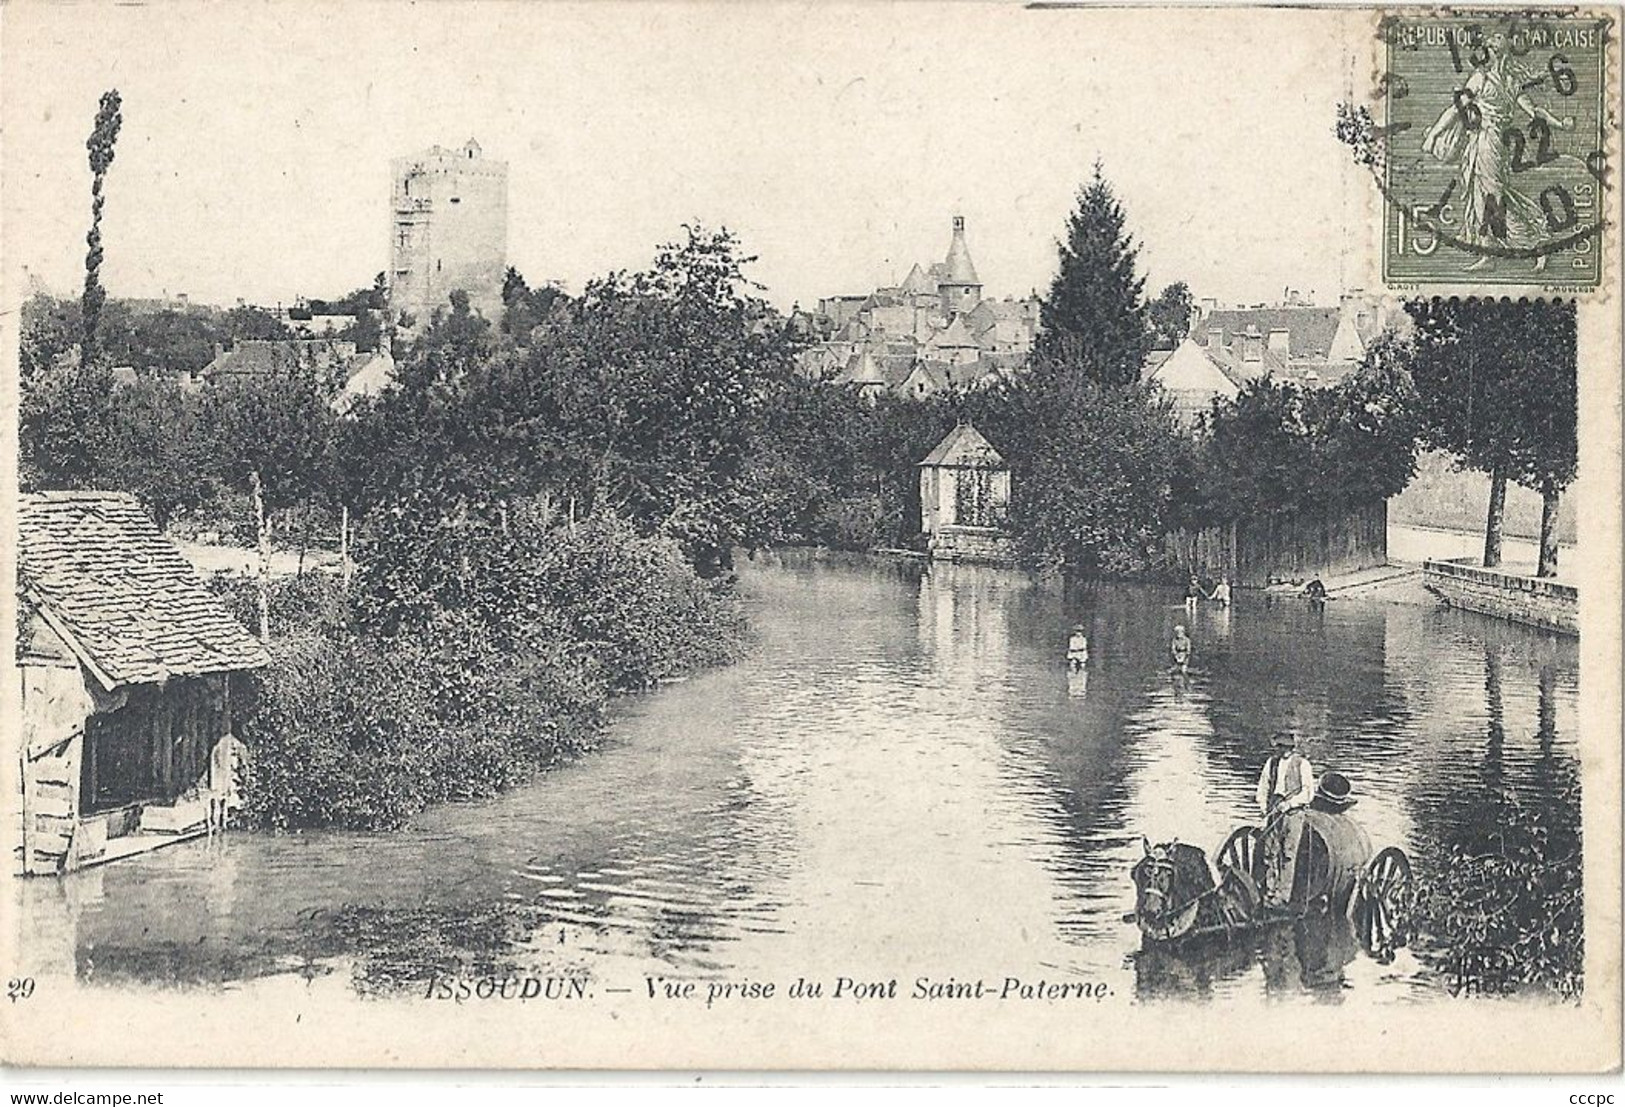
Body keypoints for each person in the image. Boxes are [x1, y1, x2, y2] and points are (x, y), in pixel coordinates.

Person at [1420, 28, 1577, 274]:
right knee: (1481, 196)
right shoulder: (1507, 82)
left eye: (1488, 49)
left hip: (1489, 143)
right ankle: (1488, 253)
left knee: (1495, 198)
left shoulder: (1481, 79)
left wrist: (1433, 134)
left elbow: (1455, 110)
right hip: (1486, 143)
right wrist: (1560, 124)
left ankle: (1538, 243)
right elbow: (1534, 112)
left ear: (1493, 54)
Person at [1256, 731, 1315, 910]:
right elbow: (1263, 787)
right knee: (1270, 852)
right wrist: (1264, 808)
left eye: (1284, 747)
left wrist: (1289, 804)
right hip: (1274, 810)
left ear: (1291, 747)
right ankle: (1270, 891)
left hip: (1293, 813)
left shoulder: (1302, 764)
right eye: (1279, 747)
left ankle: (1283, 896)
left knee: (1288, 854)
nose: (1281, 750)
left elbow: (1308, 793)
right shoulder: (1271, 763)